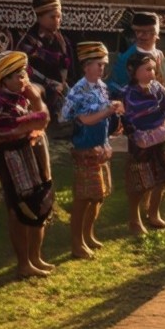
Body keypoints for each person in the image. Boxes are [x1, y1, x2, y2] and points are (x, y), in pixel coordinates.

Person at [0, 51, 54, 280]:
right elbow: (3, 129)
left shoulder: (23, 96)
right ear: (4, 80)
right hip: (10, 158)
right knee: (18, 207)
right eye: (16, 76)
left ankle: (35, 257)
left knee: (38, 201)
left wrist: (33, 110)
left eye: (24, 74)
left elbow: (40, 120)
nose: (22, 80)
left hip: (29, 153)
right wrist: (34, 111)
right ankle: (23, 262)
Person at [61, 42, 120, 259]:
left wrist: (114, 111)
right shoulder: (79, 90)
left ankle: (88, 235)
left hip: (100, 147)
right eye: (98, 64)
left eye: (103, 64)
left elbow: (104, 115)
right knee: (84, 198)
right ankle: (76, 243)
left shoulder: (101, 87)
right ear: (86, 66)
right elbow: (82, 118)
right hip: (85, 147)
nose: (102, 68)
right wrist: (107, 112)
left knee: (98, 196)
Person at [123, 51, 165, 235]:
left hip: (161, 137)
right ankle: (134, 219)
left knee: (164, 175)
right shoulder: (128, 93)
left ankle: (153, 212)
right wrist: (151, 120)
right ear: (134, 71)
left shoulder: (157, 87)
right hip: (141, 143)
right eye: (147, 69)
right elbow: (132, 117)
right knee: (140, 182)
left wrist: (157, 119)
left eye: (153, 69)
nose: (152, 73)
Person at [15, 0, 74, 119]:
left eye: (59, 16)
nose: (57, 20)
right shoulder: (28, 42)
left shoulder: (63, 40)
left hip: (60, 97)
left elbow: (68, 66)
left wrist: (65, 84)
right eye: (52, 17)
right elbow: (24, 70)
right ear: (40, 17)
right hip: (37, 98)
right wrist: (48, 84)